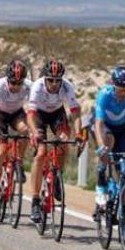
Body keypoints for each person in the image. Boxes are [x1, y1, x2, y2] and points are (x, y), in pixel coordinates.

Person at [91, 65, 125, 243]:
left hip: (121, 129)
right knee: (108, 142)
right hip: (103, 127)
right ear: (113, 84)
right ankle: (101, 177)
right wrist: (101, 146)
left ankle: (123, 223)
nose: (124, 92)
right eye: (121, 88)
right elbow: (99, 123)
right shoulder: (105, 94)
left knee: (124, 175)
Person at [26, 60, 81, 223]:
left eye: (58, 80)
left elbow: (76, 112)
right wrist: (35, 133)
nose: (54, 84)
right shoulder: (37, 87)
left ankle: (57, 175)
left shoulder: (66, 86)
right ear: (45, 78)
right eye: (50, 80)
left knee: (63, 142)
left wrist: (79, 134)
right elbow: (30, 115)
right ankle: (35, 201)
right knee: (41, 153)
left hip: (57, 114)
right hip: (39, 116)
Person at [0, 60, 31, 215]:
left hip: (17, 114)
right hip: (0, 116)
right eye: (13, 83)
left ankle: (19, 160)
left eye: (19, 83)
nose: (16, 86)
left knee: (25, 130)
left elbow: (32, 110)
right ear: (8, 79)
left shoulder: (28, 86)